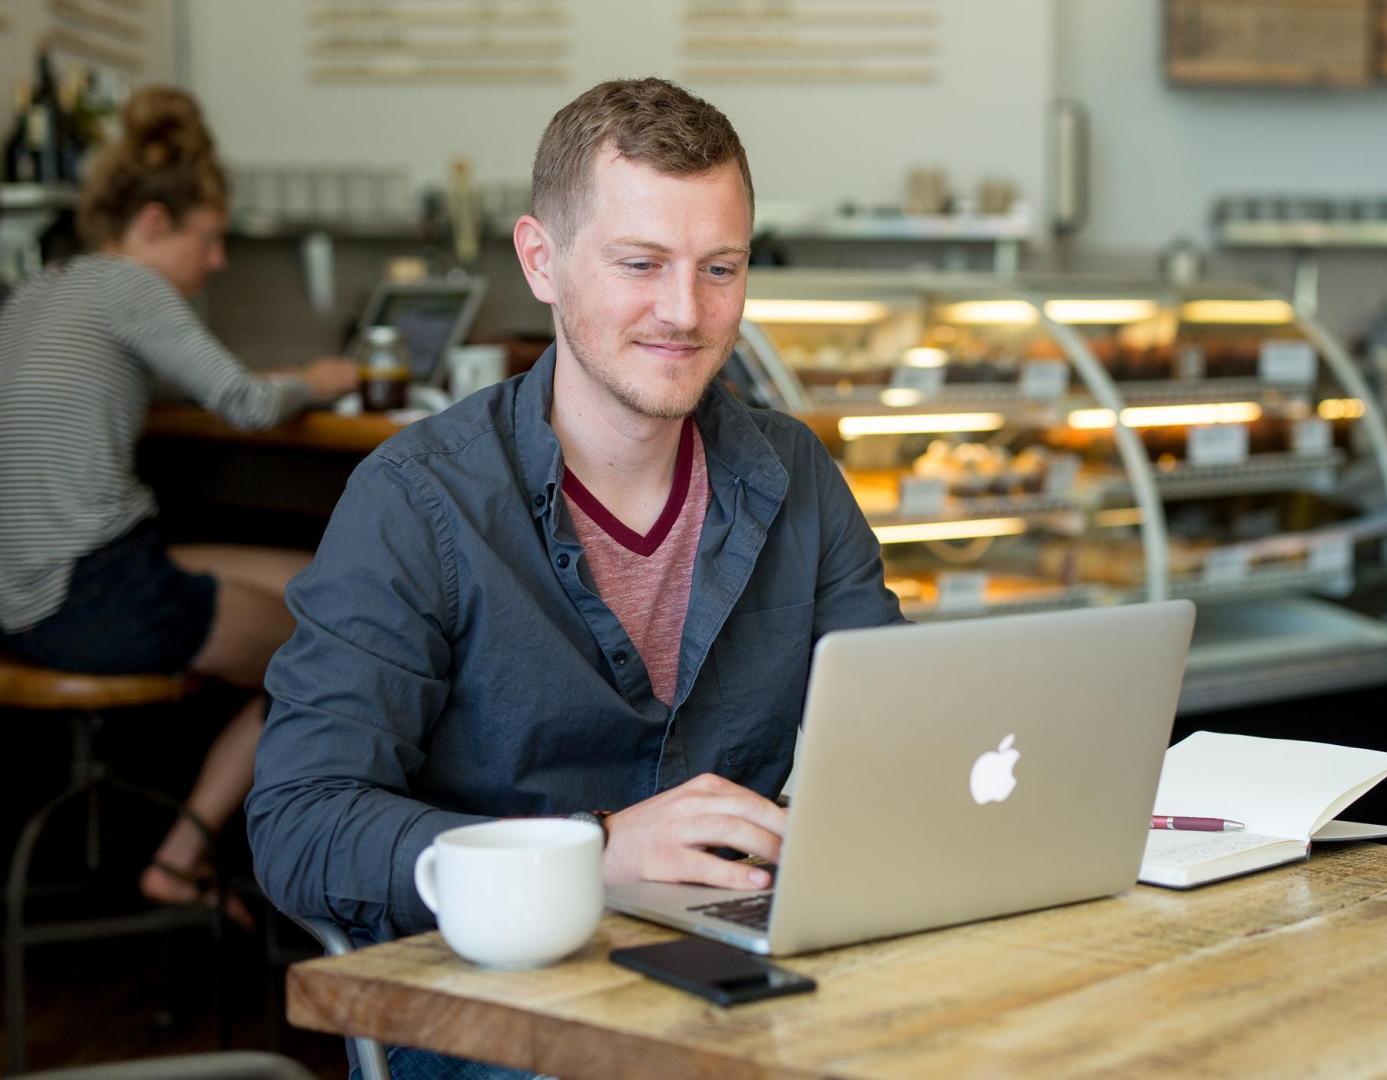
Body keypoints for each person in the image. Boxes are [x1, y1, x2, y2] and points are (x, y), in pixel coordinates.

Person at [247, 77, 902, 1077]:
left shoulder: (796, 473)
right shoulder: (416, 501)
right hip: (505, 1025)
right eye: (641, 264)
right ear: (540, 260)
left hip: (755, 996)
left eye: (719, 267)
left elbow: (902, 741)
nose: (685, 312)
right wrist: (591, 854)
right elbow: (300, 828)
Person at [0, 86, 358, 925]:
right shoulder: (133, 287)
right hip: (91, 596)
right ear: (156, 221)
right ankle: (182, 856)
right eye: (210, 236)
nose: (220, 259)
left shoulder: (43, 290)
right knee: (338, 638)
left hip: (26, 594)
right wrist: (323, 380)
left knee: (323, 580)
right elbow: (241, 399)